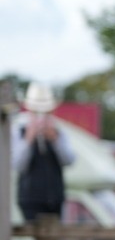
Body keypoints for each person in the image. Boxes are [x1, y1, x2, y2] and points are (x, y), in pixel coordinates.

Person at [12, 82, 75, 223]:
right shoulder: (19, 131)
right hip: (29, 200)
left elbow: (69, 160)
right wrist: (28, 139)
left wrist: (55, 140)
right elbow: (17, 165)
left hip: (56, 199)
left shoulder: (59, 131)